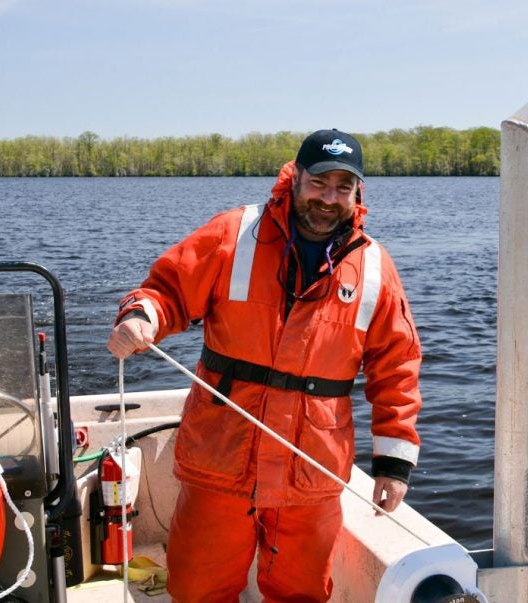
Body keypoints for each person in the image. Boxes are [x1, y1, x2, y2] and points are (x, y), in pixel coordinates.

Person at [106, 129, 423, 602]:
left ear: (358, 193)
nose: (329, 198)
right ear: (294, 178)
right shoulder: (234, 233)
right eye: (318, 183)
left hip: (311, 469)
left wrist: (393, 467)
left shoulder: (375, 266)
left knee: (301, 595)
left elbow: (396, 366)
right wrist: (140, 317)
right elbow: (167, 290)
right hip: (219, 457)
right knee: (198, 589)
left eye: (343, 187)